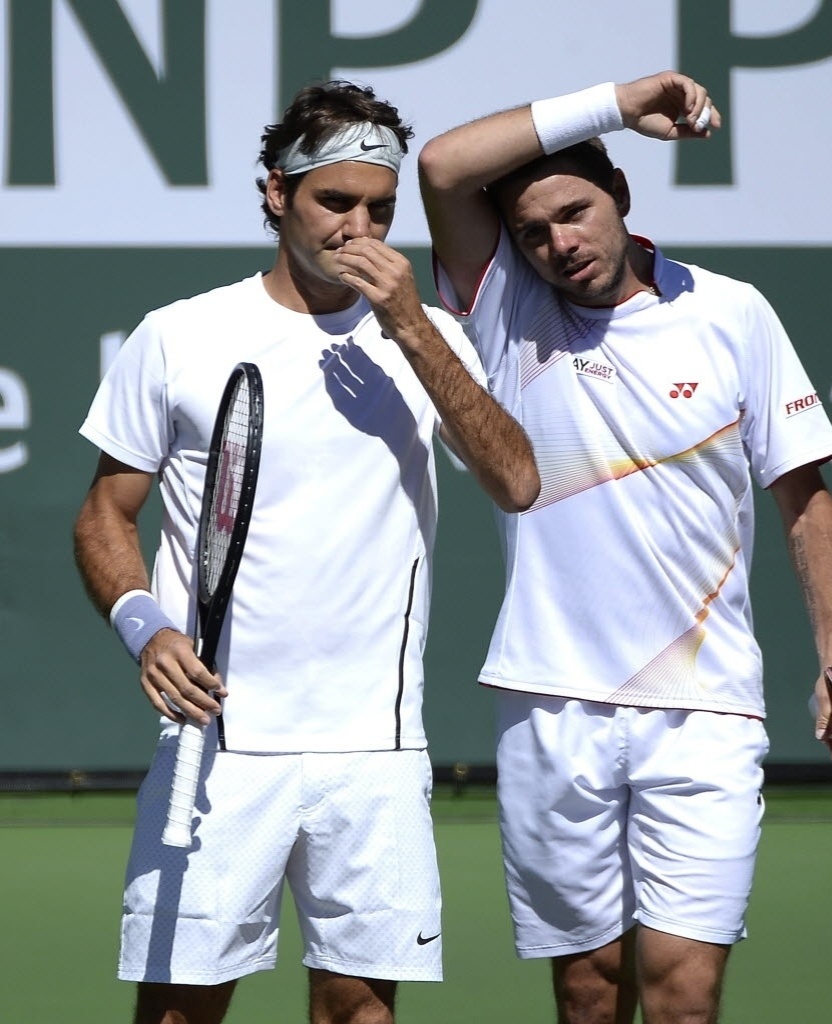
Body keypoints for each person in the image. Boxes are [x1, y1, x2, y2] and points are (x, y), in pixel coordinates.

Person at [73, 80, 539, 1024]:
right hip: (219, 741)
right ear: (276, 195)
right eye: (335, 202)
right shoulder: (180, 336)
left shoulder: (429, 336)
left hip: (375, 745)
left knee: (360, 1010)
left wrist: (410, 326)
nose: (359, 227)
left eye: (380, 207)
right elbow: (102, 515)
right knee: (178, 1012)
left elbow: (517, 481)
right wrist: (143, 624)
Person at [418, 71, 832, 1023]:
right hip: (552, 705)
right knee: (587, 998)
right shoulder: (505, 312)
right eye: (533, 232)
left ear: (620, 195)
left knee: (682, 998)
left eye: (575, 214)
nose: (558, 244)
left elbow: (804, 497)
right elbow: (441, 166)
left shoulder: (731, 312)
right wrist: (619, 101)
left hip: (704, 710)